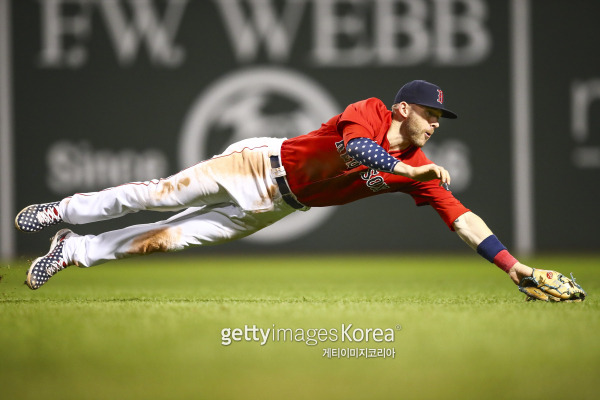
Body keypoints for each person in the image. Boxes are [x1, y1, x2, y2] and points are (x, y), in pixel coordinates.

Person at [12, 80, 540, 292]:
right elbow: (358, 150)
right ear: (404, 108)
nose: (436, 123)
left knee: (165, 238)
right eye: (431, 113)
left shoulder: (416, 164)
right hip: (260, 165)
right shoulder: (371, 112)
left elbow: (462, 218)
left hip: (275, 208)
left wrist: (514, 268)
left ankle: (74, 251)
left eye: (440, 117)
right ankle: (64, 212)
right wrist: (410, 172)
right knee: (156, 194)